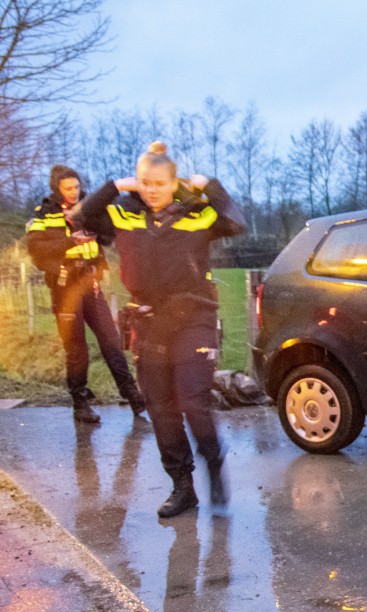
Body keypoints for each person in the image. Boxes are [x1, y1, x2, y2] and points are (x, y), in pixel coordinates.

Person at [72, 142, 246, 518]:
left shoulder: (197, 216)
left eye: (159, 183)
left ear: (173, 183)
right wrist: (116, 185)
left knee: (191, 401)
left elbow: (237, 221)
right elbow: (81, 217)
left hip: (193, 317)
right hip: (149, 323)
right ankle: (182, 486)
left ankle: (214, 466)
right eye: (145, 183)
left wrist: (208, 186)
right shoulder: (125, 217)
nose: (151, 190)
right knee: (162, 408)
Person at [25, 165, 146, 423]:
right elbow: (36, 250)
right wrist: (72, 241)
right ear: (56, 189)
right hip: (64, 287)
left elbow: (109, 233)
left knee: (111, 340)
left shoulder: (89, 206)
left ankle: (134, 397)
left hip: (90, 283)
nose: (74, 192)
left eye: (77, 186)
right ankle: (80, 404)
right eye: (68, 188)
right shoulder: (44, 212)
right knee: (77, 349)